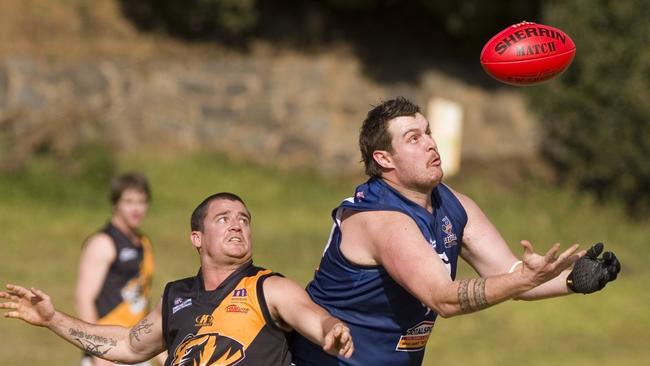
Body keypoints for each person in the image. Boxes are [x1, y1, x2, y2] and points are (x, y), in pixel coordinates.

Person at [290, 97, 621, 366]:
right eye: (413, 139)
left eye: (428, 132)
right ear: (384, 159)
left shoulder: (453, 205)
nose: (431, 144)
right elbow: (443, 299)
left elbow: (509, 275)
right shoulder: (382, 220)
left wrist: (570, 281)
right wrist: (522, 280)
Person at [0, 192, 354, 365]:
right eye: (223, 218)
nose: (237, 224)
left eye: (244, 219)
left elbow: (311, 316)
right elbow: (129, 346)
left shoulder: (269, 287)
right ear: (196, 238)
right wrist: (52, 319)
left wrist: (330, 328)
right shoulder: (176, 296)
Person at [74, 172, 163, 366]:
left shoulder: (144, 243)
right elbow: (83, 300)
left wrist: (159, 349)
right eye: (129, 201)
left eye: (142, 202)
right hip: (108, 350)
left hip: (136, 347)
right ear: (115, 203)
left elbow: (141, 300)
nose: (136, 209)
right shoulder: (103, 243)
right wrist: (100, 352)